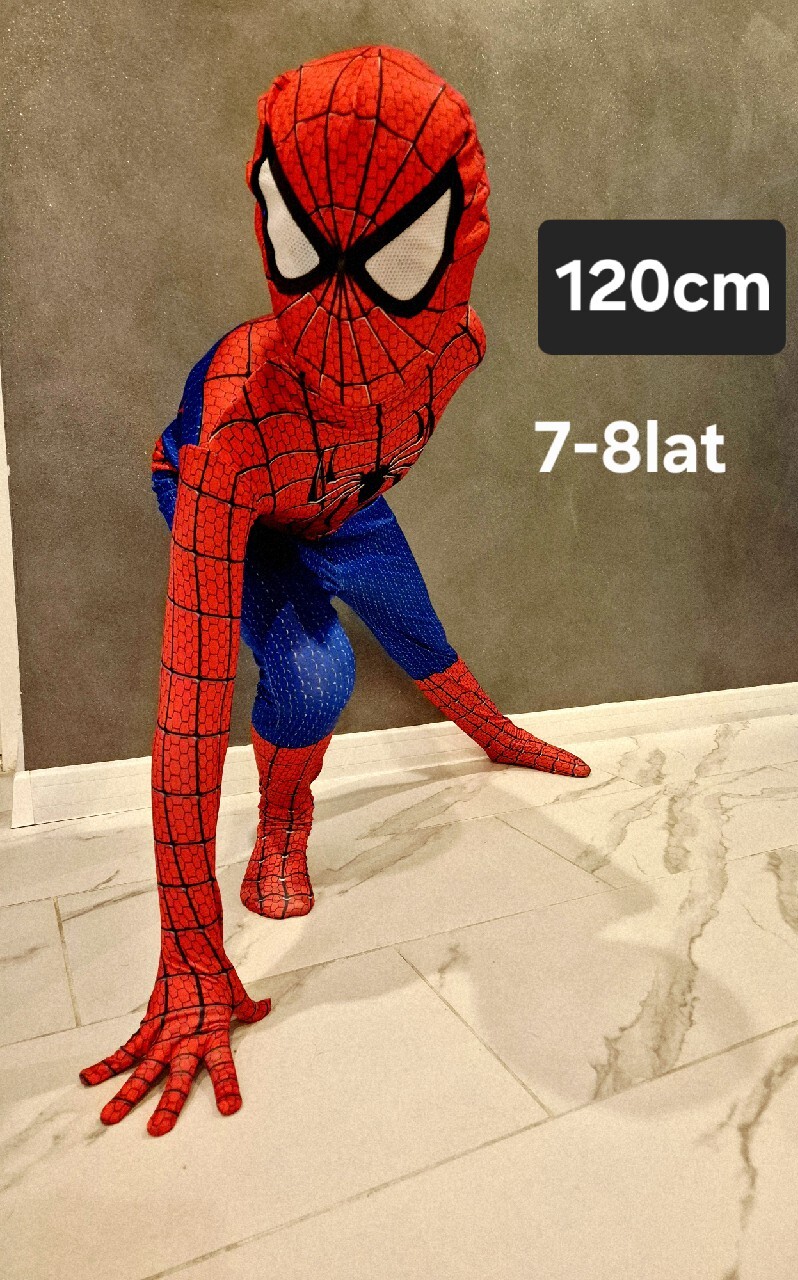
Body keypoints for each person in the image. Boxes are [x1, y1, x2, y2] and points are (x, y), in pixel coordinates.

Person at [79, 45, 589, 1136]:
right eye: (311, 253)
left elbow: (392, 414)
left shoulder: (461, 350)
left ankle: (496, 734)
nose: (345, 307)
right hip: (246, 481)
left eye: (394, 255)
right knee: (314, 674)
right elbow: (188, 706)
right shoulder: (232, 430)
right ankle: (283, 822)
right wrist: (189, 954)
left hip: (335, 490)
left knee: (416, 624)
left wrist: (344, 497)